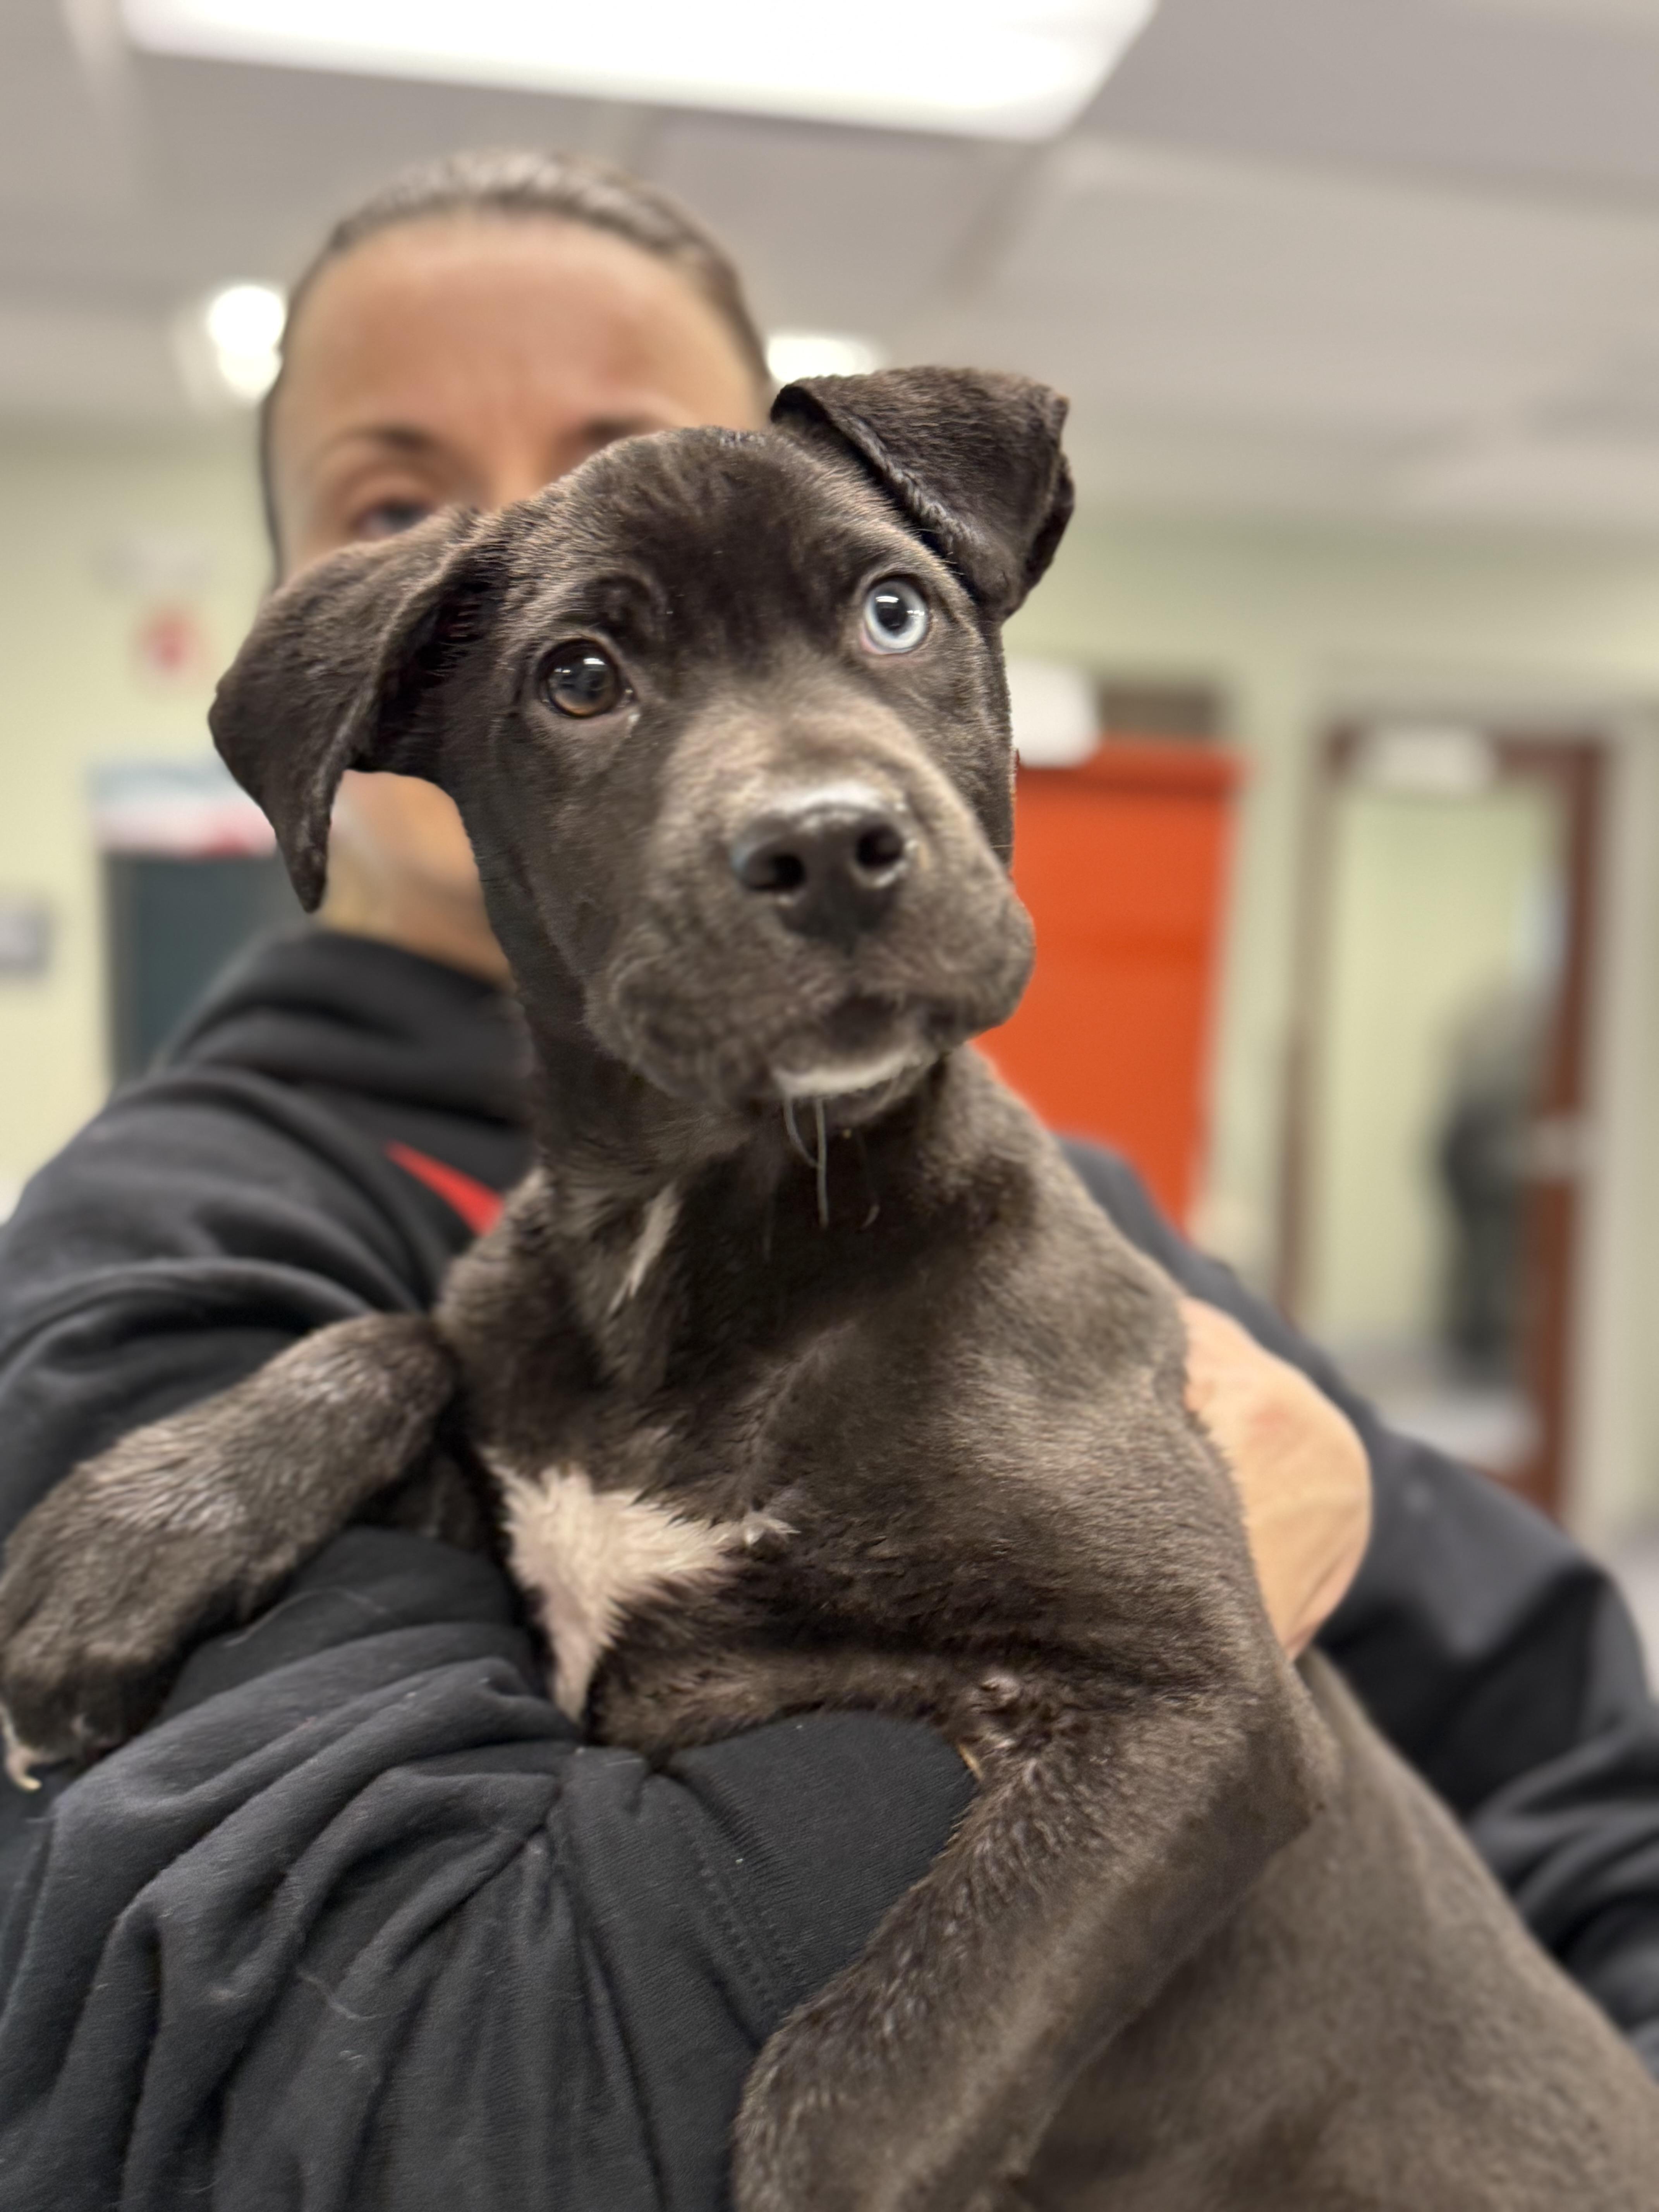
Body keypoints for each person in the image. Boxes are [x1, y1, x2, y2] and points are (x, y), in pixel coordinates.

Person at [0, 150, 1653, 2210]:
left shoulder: (1069, 1215)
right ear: (373, 685)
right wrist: (366, 1387)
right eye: (580, 658)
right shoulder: (178, 1244)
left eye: (876, 608)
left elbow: (1550, 1729)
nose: (809, 789)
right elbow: (405, 2081)